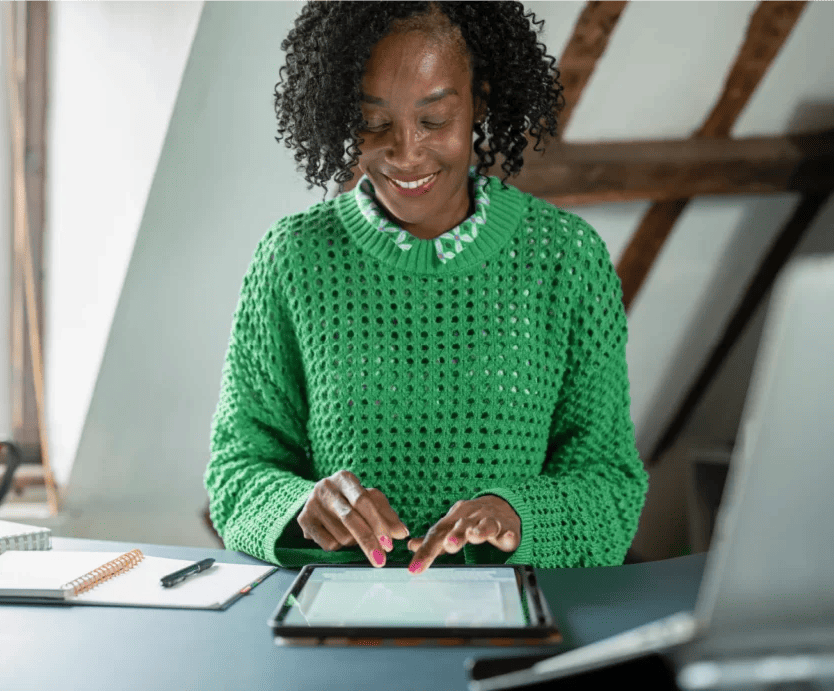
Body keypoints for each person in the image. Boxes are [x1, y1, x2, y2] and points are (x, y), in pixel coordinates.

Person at [204, 0, 648, 573]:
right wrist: (301, 506)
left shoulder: (565, 259)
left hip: (508, 625)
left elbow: (610, 485)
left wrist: (518, 515)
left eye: (433, 120)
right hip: (342, 625)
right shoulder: (293, 259)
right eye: (373, 122)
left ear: (480, 100)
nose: (405, 152)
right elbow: (236, 472)